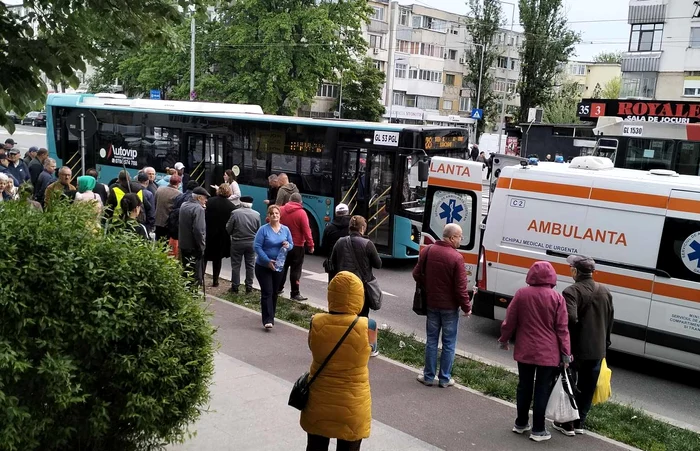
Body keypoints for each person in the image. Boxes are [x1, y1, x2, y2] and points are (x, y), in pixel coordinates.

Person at [498, 261, 572, 443]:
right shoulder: (557, 298)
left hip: (525, 350)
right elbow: (562, 329)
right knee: (542, 389)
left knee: (524, 386)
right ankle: (539, 429)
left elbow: (510, 320)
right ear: (552, 277)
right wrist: (565, 353)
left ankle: (521, 423)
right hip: (548, 352)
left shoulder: (521, 294)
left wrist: (504, 339)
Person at [300, 271, 371, 451]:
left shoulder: (315, 321)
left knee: (315, 447)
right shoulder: (368, 326)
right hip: (353, 401)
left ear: (331, 294)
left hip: (318, 398)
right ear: (359, 296)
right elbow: (369, 352)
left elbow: (312, 346)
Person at [553, 256, 614, 437]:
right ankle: (580, 423)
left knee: (569, 385)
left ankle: (567, 424)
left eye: (571, 268)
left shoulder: (571, 292)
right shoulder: (605, 291)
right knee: (587, 388)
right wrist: (605, 342)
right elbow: (610, 320)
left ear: (575, 272)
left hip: (575, 349)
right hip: (597, 349)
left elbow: (569, 318)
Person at [413, 224, 471, 388]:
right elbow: (460, 288)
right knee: (449, 343)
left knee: (431, 340)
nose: (461, 239)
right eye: (460, 236)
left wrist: (428, 286)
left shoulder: (428, 250)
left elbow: (416, 274)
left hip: (431, 304)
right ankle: (445, 379)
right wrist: (467, 307)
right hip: (450, 308)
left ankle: (428, 376)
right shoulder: (456, 258)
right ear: (452, 238)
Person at [328, 215, 381, 355]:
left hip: (342, 287)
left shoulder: (339, 242)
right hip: (361, 288)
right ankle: (365, 346)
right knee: (362, 317)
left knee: (344, 315)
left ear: (349, 228)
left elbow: (332, 263)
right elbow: (378, 264)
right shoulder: (367, 244)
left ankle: (343, 343)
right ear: (362, 228)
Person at [254, 205, 293, 329]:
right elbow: (257, 246)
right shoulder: (263, 230)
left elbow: (292, 244)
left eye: (276, 213)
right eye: (272, 214)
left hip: (279, 266)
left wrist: (288, 245)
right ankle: (267, 320)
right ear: (268, 216)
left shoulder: (285, 230)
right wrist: (267, 260)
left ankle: (271, 315)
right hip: (264, 266)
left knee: (275, 292)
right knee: (267, 292)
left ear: (280, 215)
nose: (274, 215)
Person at [279, 193, 314, 301]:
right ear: (300, 202)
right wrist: (310, 245)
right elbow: (306, 230)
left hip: (283, 244)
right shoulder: (301, 213)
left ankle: (278, 288)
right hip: (297, 245)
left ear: (289, 200)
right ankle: (295, 293)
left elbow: (268, 220)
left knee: (282, 268)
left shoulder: (280, 210)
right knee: (296, 270)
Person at [226, 195, 260, 294]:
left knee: (236, 265)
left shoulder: (235, 213)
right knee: (250, 265)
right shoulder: (256, 215)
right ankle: (249, 287)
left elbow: (228, 228)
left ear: (241, 203)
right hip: (251, 243)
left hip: (237, 242)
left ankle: (235, 286)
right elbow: (258, 229)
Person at [205, 183, 236, 287]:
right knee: (217, 259)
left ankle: (201, 278)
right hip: (222, 236)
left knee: (204, 256)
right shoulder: (231, 207)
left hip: (208, 232)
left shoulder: (209, 201)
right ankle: (215, 281)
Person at [179, 187, 209, 286]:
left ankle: (185, 290)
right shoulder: (198, 209)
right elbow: (199, 230)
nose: (206, 200)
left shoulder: (184, 205)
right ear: (199, 198)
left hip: (183, 243)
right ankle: (193, 293)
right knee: (195, 272)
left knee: (186, 269)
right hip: (194, 246)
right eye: (205, 198)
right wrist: (202, 246)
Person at [154, 174, 182, 241]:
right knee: (165, 243)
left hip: (157, 221)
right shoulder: (179, 194)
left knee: (158, 241)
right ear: (178, 184)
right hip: (168, 223)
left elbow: (155, 203)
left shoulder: (159, 190)